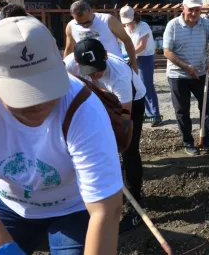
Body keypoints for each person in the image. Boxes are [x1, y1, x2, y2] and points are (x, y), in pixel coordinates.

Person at [0, 16, 123, 254]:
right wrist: (1, 245)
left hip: (72, 207)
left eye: (46, 87)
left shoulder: (83, 108)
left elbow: (106, 209)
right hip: (7, 204)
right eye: (23, 93)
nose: (39, 103)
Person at [63, 38, 147, 233]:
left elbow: (124, 117)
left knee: (128, 149)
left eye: (98, 68)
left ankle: (135, 204)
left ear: (106, 56)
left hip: (130, 105)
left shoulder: (119, 75)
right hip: (93, 101)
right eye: (89, 71)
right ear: (77, 63)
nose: (95, 74)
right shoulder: (69, 64)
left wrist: (107, 136)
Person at [163, 0, 209, 155]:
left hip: (200, 74)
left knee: (207, 107)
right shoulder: (173, 26)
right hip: (178, 75)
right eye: (191, 9)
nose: (194, 13)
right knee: (182, 110)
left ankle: (207, 139)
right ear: (183, 8)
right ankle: (188, 142)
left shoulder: (206, 24)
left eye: (198, 10)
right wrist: (186, 67)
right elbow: (167, 52)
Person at [64, 0, 139, 73]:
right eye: (80, 24)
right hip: (88, 73)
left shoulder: (108, 20)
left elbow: (127, 40)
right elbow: (69, 49)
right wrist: (63, 70)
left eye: (88, 22)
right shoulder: (71, 26)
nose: (85, 25)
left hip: (114, 70)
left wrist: (134, 65)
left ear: (91, 11)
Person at [120, 6, 162, 127]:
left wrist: (128, 54)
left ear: (135, 18)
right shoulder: (125, 27)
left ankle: (155, 115)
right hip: (130, 58)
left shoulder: (143, 26)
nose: (128, 24)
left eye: (130, 21)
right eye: (126, 22)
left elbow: (142, 45)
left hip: (144, 58)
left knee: (147, 86)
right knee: (135, 86)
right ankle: (142, 114)